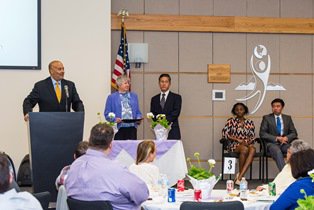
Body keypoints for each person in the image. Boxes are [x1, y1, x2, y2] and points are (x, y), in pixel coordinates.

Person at [65, 123, 149, 210]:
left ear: (89, 140)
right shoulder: (116, 169)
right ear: (110, 145)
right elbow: (142, 194)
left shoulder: (75, 165)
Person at [260, 98, 298, 171]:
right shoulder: (267, 118)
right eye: (273, 106)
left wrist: (286, 137)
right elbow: (262, 133)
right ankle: (284, 174)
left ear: (282, 107)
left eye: (278, 106)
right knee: (277, 151)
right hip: (272, 144)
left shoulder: (287, 118)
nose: (275, 108)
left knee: (295, 150)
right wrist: (277, 138)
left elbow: (294, 133)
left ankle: (296, 173)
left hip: (284, 144)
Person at [222, 103, 256, 185]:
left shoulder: (250, 122)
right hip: (234, 145)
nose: (239, 111)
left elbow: (253, 136)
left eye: (241, 109)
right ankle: (241, 177)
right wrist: (238, 140)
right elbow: (225, 134)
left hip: (246, 144)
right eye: (237, 110)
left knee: (253, 149)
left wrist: (247, 141)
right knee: (244, 149)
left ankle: (239, 177)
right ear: (234, 111)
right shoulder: (231, 121)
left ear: (245, 110)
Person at [104, 75, 142, 140]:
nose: (127, 85)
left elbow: (138, 112)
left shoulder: (134, 96)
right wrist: (114, 119)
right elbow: (107, 114)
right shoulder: (111, 97)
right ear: (119, 85)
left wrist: (138, 118)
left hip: (132, 127)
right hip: (118, 128)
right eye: (125, 83)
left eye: (128, 83)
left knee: (131, 148)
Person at [150, 74, 182, 140]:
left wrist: (163, 122)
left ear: (169, 83)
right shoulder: (154, 99)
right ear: (159, 83)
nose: (164, 84)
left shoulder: (176, 97)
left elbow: (176, 113)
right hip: (159, 133)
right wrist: (159, 124)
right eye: (162, 81)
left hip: (173, 131)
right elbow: (153, 114)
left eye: (166, 82)